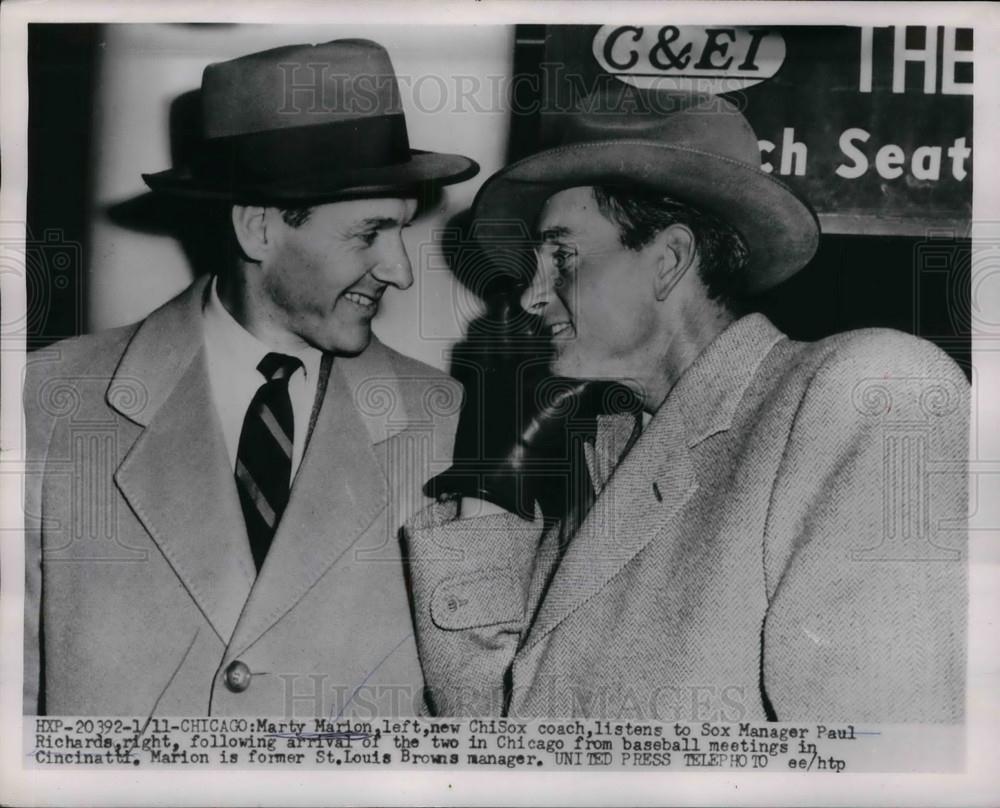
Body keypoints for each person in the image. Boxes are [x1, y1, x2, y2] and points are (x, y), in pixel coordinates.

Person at [404, 89, 968, 722]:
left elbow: (883, 761)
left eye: (562, 256)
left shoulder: (867, 393)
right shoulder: (613, 456)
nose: (531, 296)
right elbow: (493, 732)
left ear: (669, 261)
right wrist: (491, 482)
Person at [23, 39, 478, 716]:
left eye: (403, 230)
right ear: (259, 229)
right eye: (369, 233)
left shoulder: (450, 423)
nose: (401, 270)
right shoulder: (47, 404)